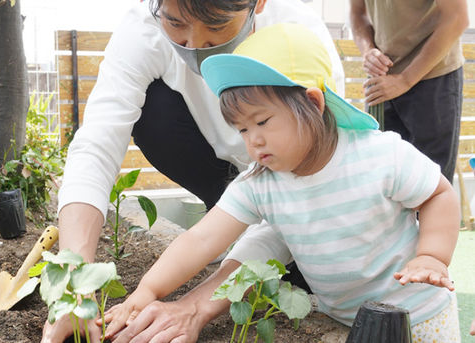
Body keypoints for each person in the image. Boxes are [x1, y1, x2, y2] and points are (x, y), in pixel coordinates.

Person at [102, 23, 462, 342]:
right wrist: (144, 292)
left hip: (421, 316)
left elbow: (438, 194)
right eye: (242, 128)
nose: (252, 140)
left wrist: (432, 256)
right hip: (345, 321)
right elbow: (201, 239)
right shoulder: (262, 182)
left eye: (262, 122)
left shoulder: (379, 156)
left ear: (313, 103)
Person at [42, 0, 345, 342]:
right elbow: (96, 146)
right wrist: (74, 285)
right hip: (236, 180)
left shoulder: (300, 46)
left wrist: (197, 305)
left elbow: (304, 196)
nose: (194, 46)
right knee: (154, 113)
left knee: (300, 275)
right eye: (175, 24)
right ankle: (229, 221)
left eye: (216, 28)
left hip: (308, 205)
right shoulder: (142, 30)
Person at [349, 0, 469, 184]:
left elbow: (457, 18)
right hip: (382, 78)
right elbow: (358, 12)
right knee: (383, 182)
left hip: (433, 77)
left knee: (430, 188)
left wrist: (405, 79)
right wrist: (368, 50)